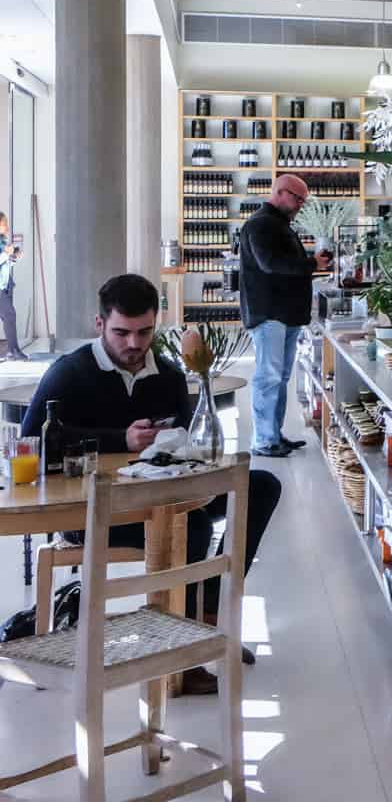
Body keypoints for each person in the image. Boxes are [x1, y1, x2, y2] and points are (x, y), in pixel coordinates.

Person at [22, 274, 283, 695]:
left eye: (144, 332)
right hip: (96, 510)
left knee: (262, 486)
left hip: (165, 493)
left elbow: (185, 440)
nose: (133, 344)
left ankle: (206, 619)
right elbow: (32, 441)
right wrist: (118, 439)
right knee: (192, 524)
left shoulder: (168, 376)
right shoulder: (69, 373)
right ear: (99, 325)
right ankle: (181, 655)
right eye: (121, 332)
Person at [240, 173, 315, 457]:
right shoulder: (261, 224)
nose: (300, 205)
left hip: (284, 314)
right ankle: (263, 441)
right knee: (269, 377)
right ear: (281, 193)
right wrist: (311, 264)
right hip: (269, 313)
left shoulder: (277, 224)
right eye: (298, 199)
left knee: (280, 377)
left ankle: (274, 435)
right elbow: (270, 264)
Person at [0, 240, 24, 360]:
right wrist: (6, 254)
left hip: (5, 287)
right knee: (9, 316)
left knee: (8, 318)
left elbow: (5, 265)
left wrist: (14, 257)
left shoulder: (2, 242)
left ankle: (12, 350)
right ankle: (13, 350)